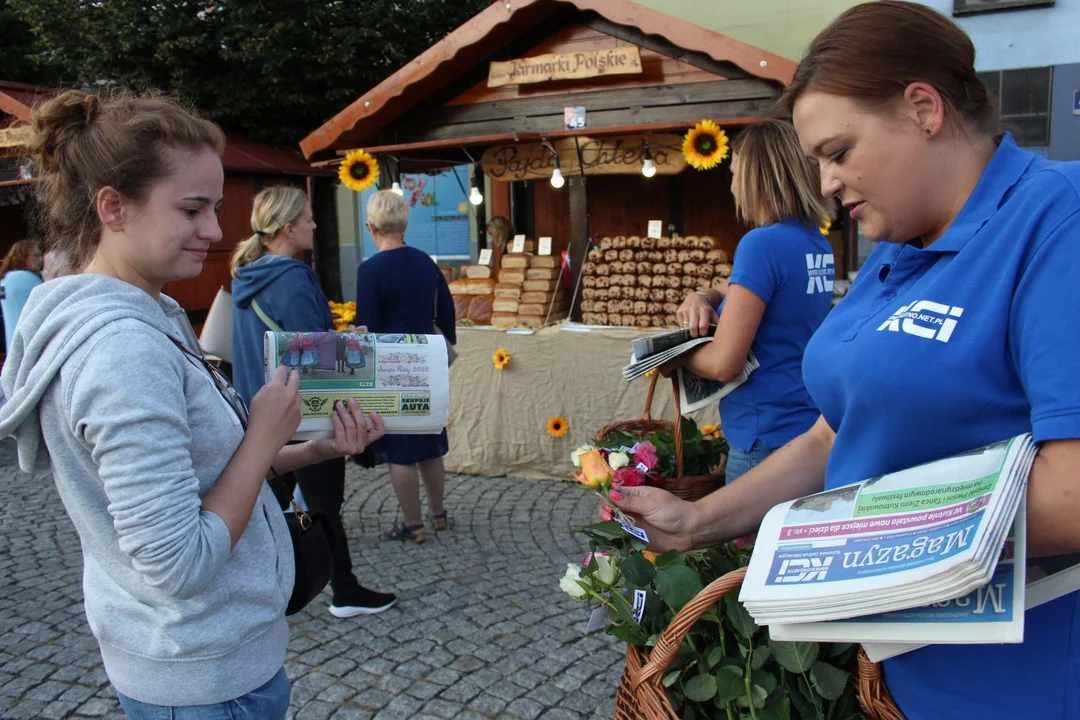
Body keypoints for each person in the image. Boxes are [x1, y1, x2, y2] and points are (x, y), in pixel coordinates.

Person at [610, 3, 1080, 718]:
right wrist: (700, 521)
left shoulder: (1055, 222)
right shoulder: (897, 245)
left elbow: (1073, 491)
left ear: (923, 108)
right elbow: (836, 434)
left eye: (838, 152)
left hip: (1028, 680)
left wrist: (848, 533)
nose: (827, 183)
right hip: (904, 675)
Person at [0, 89, 384, 719]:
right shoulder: (123, 351)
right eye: (192, 209)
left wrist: (313, 447)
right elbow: (180, 562)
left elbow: (208, 478)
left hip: (208, 661)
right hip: (202, 680)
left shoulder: (153, 311)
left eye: (213, 206)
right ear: (113, 208)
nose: (215, 230)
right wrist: (262, 432)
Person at [230, 185, 397, 618]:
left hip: (257, 407)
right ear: (288, 228)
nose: (315, 224)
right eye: (308, 219)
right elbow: (315, 356)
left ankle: (272, 586)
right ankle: (342, 590)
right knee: (323, 504)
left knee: (265, 498)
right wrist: (350, 342)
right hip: (302, 414)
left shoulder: (247, 274)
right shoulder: (293, 276)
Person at [671, 119, 833, 482]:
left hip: (764, 432)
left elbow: (723, 364)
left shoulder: (761, 244)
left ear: (755, 177)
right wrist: (702, 295)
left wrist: (671, 356)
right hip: (804, 420)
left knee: (749, 539)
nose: (731, 185)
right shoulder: (814, 240)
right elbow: (738, 289)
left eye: (733, 172)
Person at [356, 190, 456, 543]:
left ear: (371, 227)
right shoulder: (426, 262)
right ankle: (439, 514)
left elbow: (366, 326)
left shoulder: (369, 270)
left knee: (400, 450)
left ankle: (414, 526)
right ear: (405, 223)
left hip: (390, 368)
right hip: (426, 361)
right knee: (429, 439)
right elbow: (446, 312)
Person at [0, 239, 43, 350]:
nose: (40, 260)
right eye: (36, 256)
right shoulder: (27, 278)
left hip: (11, 343)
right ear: (23, 256)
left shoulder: (5, 279)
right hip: (29, 344)